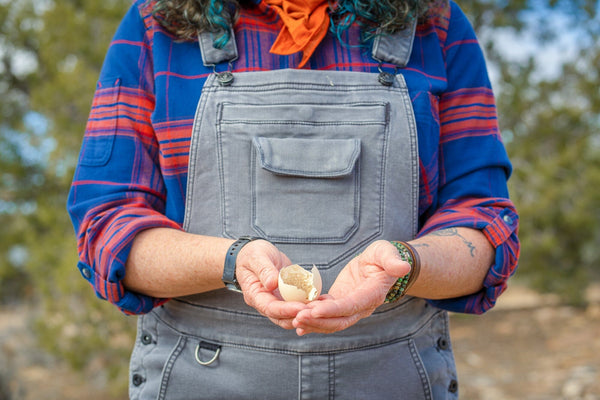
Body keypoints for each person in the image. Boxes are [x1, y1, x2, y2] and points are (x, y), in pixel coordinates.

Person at [67, 0, 520, 398]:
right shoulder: (156, 26)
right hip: (202, 377)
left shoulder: (435, 24)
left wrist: (405, 265)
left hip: (393, 380)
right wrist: (231, 261)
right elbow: (108, 227)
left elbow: (483, 230)